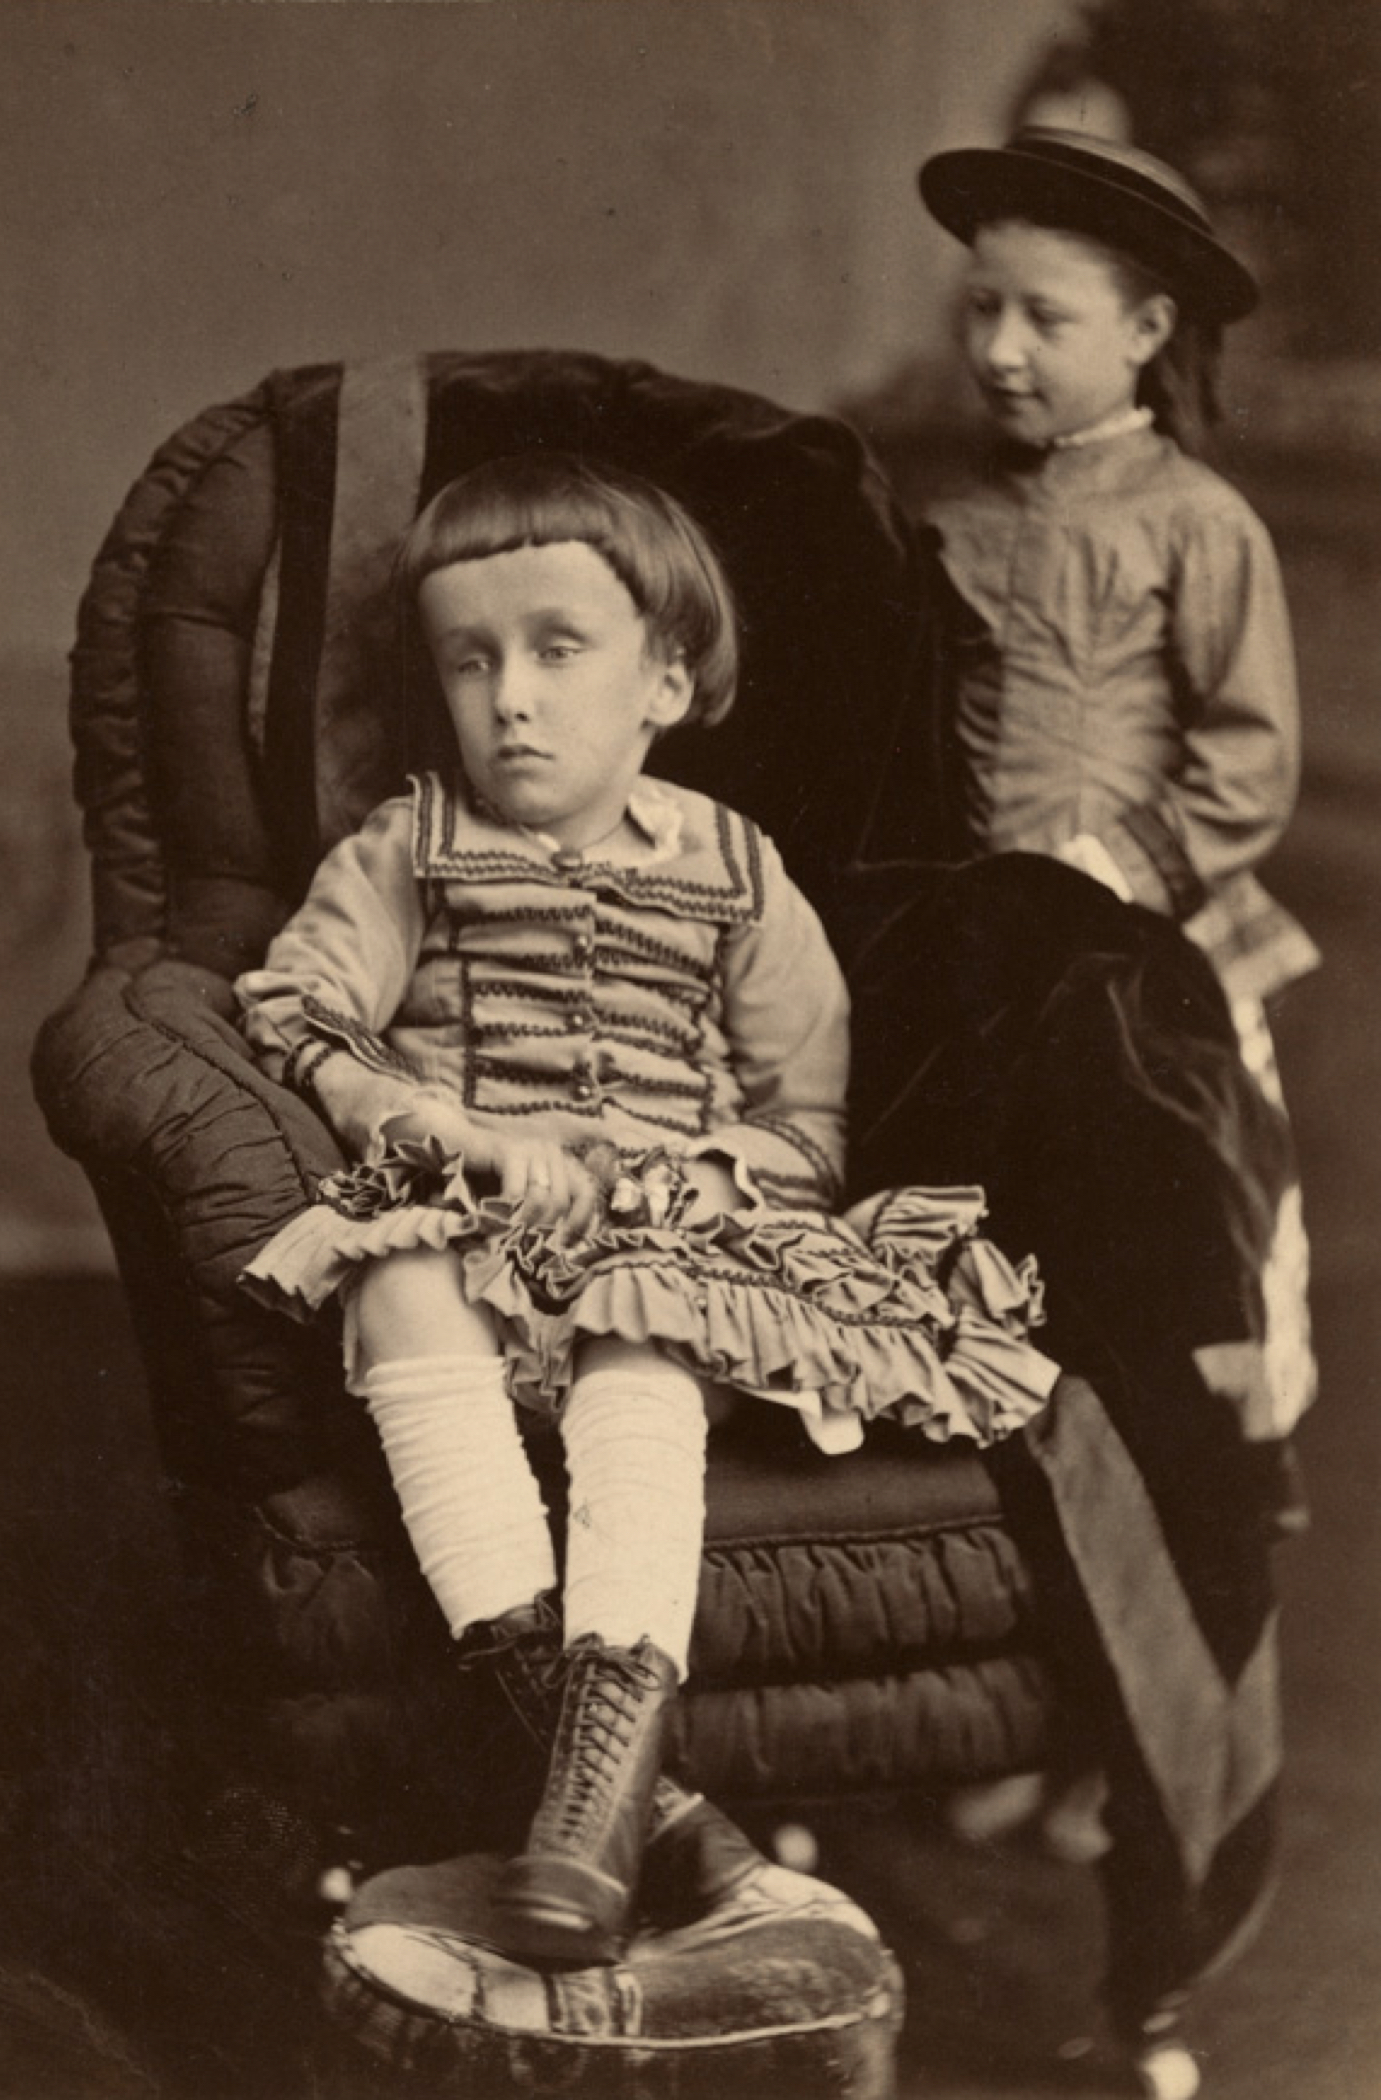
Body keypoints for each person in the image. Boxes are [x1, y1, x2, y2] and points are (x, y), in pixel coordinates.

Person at [232, 452, 1060, 1968]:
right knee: (396, 1276)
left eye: (559, 650)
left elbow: (802, 1115)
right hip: (473, 1228)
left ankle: (604, 1754)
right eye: (469, 660)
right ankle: (636, 1806)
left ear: (665, 680)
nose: (511, 700)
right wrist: (442, 1124)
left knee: (645, 1330)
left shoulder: (740, 874)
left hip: (667, 1248)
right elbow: (301, 1008)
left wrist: (704, 1178)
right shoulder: (409, 848)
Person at [912, 126, 1319, 1871]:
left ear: (1147, 329)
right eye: (979, 308)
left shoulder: (1195, 525)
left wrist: (1102, 877)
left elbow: (1245, 769)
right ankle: (1024, 1712)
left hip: (1145, 999)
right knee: (994, 1346)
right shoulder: (948, 522)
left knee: (1181, 1359)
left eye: (1045, 318)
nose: (999, 348)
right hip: (987, 998)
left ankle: (1142, 1742)